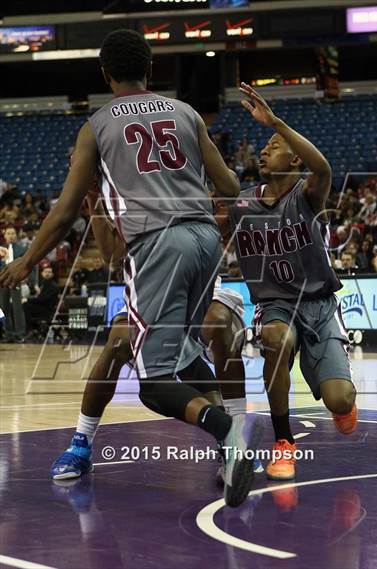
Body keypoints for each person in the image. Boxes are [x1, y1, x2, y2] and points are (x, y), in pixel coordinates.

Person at [0, 30, 263, 508]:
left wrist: (27, 260)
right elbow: (227, 183)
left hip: (159, 244)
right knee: (177, 358)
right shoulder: (185, 113)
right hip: (206, 242)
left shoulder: (97, 126)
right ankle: (230, 436)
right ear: (151, 69)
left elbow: (62, 216)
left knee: (154, 385)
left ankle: (230, 434)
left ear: (105, 74)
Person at [52, 187, 263, 480]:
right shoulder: (128, 192)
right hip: (153, 295)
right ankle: (81, 444)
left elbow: (224, 207)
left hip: (202, 289)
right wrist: (91, 196)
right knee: (119, 342)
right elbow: (112, 255)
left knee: (216, 324)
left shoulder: (182, 173)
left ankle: (236, 437)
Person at [227, 82, 357, 481]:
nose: (265, 150)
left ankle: (341, 399)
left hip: (318, 305)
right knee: (276, 340)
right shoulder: (242, 203)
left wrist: (276, 121)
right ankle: (284, 441)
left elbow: (323, 168)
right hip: (276, 305)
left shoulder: (308, 194)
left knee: (339, 400)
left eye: (274, 145)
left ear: (295, 159)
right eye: (265, 146)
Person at [0, 227, 26, 343]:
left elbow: (26, 265)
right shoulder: (0, 249)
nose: (10, 235)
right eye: (8, 233)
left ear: (16, 235)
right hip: (2, 280)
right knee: (3, 307)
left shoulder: (21, 249)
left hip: (16, 280)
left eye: (13, 233)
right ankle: (7, 333)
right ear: (4, 236)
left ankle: (20, 334)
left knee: (17, 307)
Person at [22, 262, 60, 333]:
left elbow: (42, 300)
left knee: (25, 306)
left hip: (47, 310)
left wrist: (27, 300)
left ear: (52, 274)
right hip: (42, 307)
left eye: (49, 272)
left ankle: (29, 329)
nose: (47, 274)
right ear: (42, 273)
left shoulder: (53, 286)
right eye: (45, 272)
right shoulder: (44, 283)